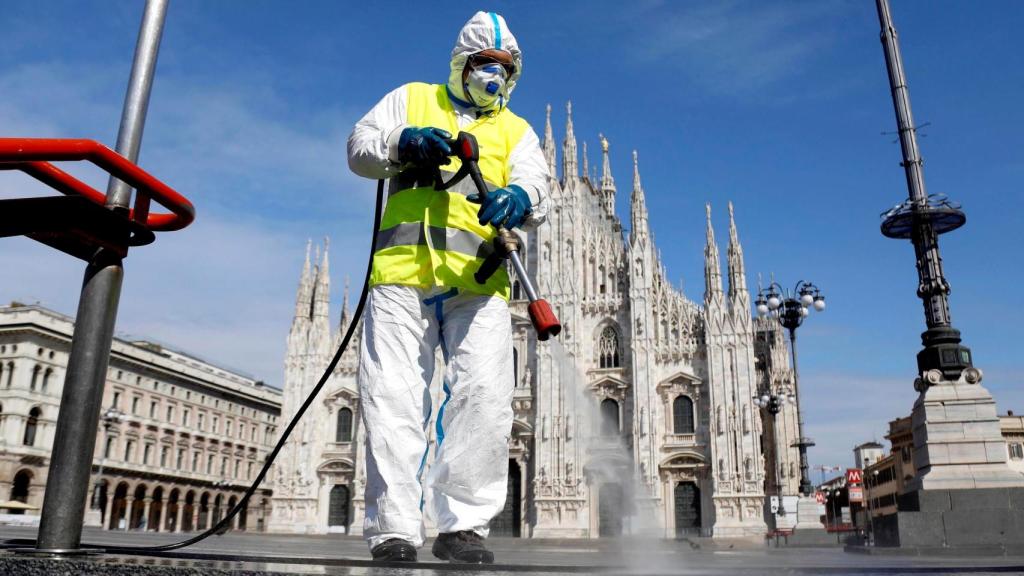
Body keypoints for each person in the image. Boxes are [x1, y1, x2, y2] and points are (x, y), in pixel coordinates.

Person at [346, 11, 549, 565]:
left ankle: (462, 527)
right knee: (392, 399)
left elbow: (538, 182)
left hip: (478, 282)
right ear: (463, 62)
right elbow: (359, 146)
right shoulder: (412, 98)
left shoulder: (516, 130)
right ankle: (393, 528)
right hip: (401, 277)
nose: (496, 76)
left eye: (506, 69)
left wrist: (522, 199)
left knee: (484, 400)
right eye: (487, 64)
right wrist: (401, 142)